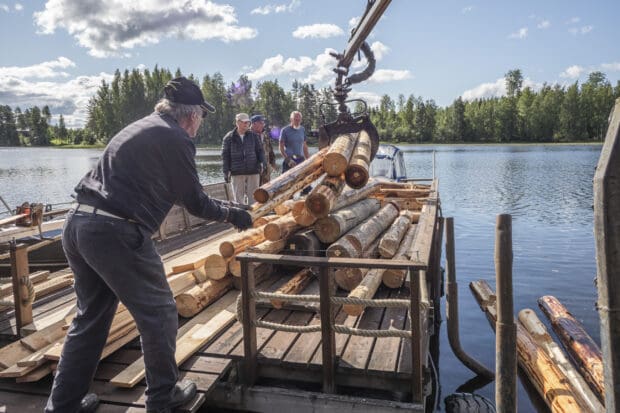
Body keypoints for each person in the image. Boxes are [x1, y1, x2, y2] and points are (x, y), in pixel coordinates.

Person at [45, 77, 252, 413]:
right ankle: (163, 397)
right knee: (158, 313)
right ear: (191, 115)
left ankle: (64, 405)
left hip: (78, 223)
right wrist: (233, 215)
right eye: (202, 115)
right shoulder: (176, 138)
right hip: (115, 232)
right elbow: (195, 201)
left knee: (91, 317)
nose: (201, 123)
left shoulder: (144, 126)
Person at [222, 113, 266, 205]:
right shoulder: (228, 137)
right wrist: (225, 171)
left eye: (248, 122)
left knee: (254, 199)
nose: (247, 124)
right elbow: (225, 156)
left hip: (253, 170)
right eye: (244, 122)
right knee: (238, 199)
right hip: (236, 171)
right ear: (237, 122)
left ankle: (253, 217)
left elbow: (260, 151)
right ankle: (241, 217)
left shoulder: (254, 136)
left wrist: (263, 163)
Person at [250, 114, 277, 185]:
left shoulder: (265, 135)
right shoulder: (248, 135)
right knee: (253, 190)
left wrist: (273, 164)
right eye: (261, 123)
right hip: (253, 170)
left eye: (263, 123)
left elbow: (270, 151)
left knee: (265, 191)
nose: (263, 125)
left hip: (266, 170)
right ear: (253, 124)